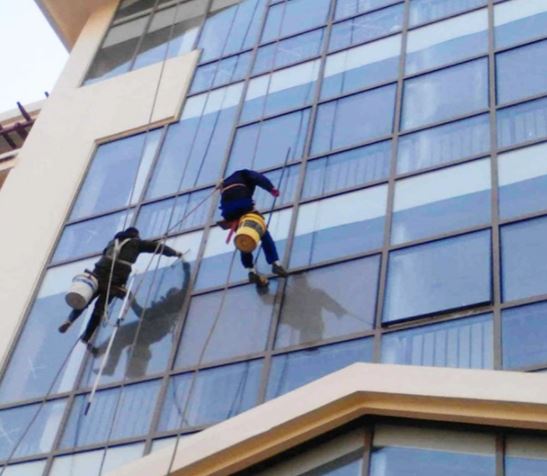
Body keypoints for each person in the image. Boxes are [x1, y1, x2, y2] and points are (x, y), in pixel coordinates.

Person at [58, 227, 183, 352]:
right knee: (99, 309)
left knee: (84, 298)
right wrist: (175, 253)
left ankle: (69, 320)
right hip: (115, 280)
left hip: (98, 275)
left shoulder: (113, 242)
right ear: (135, 235)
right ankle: (87, 336)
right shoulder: (136, 243)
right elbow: (157, 247)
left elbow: (105, 254)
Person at [219, 169, 288, 285]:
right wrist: (271, 189)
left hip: (228, 213)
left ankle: (250, 270)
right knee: (263, 233)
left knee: (244, 237)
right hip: (243, 205)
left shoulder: (226, 183)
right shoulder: (244, 173)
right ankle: (275, 263)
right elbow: (258, 178)